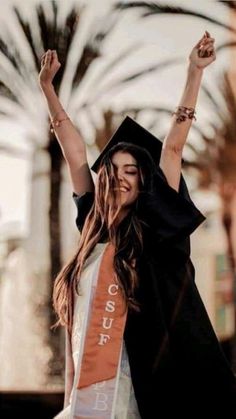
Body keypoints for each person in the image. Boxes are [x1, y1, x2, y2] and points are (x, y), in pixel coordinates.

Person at [39, 32, 236, 418]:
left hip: (135, 396)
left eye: (132, 170)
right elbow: (74, 150)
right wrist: (48, 88)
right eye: (113, 169)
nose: (122, 177)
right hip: (85, 401)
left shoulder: (154, 236)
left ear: (144, 181)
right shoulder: (90, 233)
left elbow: (174, 148)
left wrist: (192, 74)